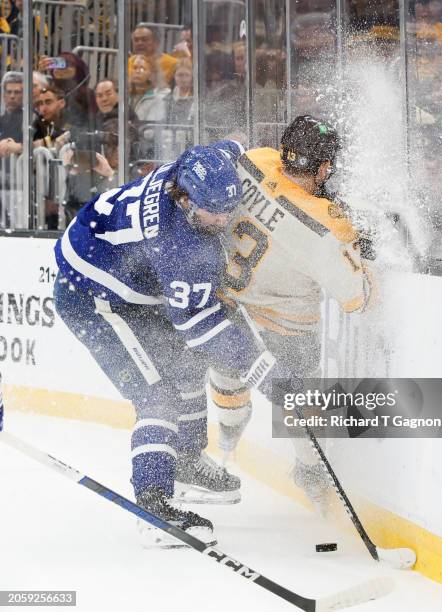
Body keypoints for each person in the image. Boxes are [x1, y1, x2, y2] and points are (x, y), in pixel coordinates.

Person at [53, 140, 284, 546]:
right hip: (92, 297)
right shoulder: (180, 244)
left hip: (131, 280)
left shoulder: (200, 167)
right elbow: (201, 326)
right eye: (215, 211)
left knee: (188, 366)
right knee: (156, 397)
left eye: (230, 207)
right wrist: (263, 370)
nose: (226, 218)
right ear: (186, 200)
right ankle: (154, 505)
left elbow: (234, 146)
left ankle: (188, 461)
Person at [210, 116, 371, 509]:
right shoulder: (327, 225)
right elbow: (359, 298)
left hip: (227, 309)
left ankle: (226, 445)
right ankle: (313, 482)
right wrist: (363, 249)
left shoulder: (255, 159)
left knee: (228, 377)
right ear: (323, 167)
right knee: (301, 404)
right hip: (286, 326)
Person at [0, 72, 23, 158]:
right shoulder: (2, 119)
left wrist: (18, 147)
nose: (12, 96)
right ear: (3, 95)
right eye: (9, 92)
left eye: (17, 92)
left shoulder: (30, 119)